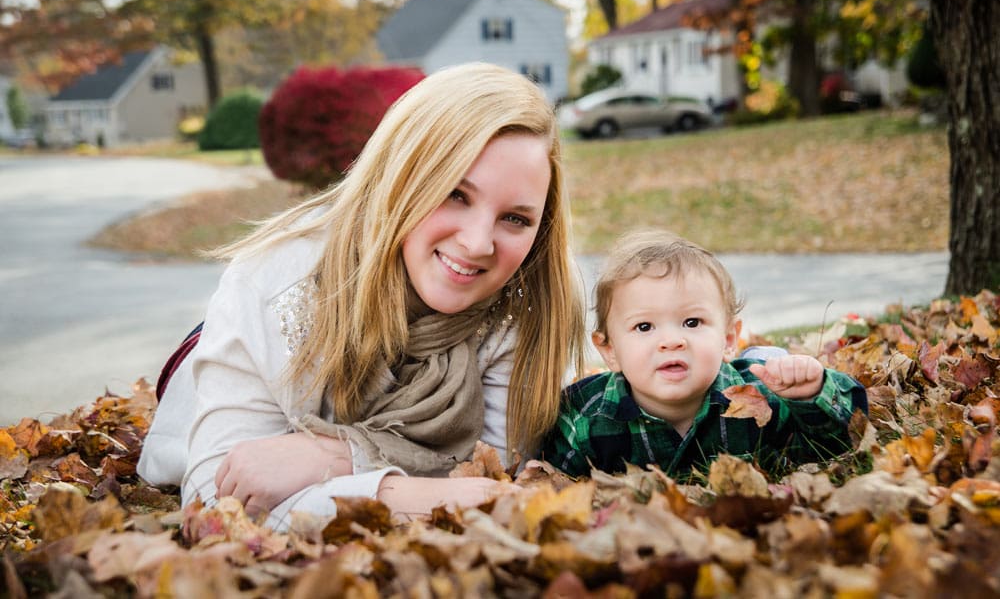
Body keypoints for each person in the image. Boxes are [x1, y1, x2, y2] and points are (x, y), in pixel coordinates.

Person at [138, 63, 587, 529]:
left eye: (515, 218)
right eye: (455, 193)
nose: (478, 244)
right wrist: (396, 492)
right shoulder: (280, 281)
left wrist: (333, 458)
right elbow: (217, 501)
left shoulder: (527, 299)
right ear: (402, 177)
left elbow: (493, 478)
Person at [541, 229, 868, 479]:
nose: (671, 341)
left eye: (692, 322)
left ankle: (767, 354)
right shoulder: (585, 416)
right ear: (609, 350)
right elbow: (555, 483)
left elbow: (838, 442)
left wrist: (811, 394)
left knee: (769, 364)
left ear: (728, 339)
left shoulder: (760, 395)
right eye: (644, 327)